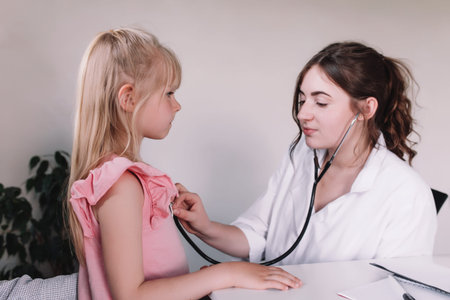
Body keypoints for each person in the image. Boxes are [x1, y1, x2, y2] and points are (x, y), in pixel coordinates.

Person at [65, 27, 301, 300]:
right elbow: (130, 296)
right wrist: (226, 273)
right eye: (168, 93)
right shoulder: (121, 186)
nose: (176, 105)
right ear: (129, 99)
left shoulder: (126, 179)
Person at [173, 41, 438, 266]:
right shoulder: (301, 156)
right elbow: (259, 237)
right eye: (302, 100)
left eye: (321, 102)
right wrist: (204, 227)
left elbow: (399, 289)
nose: (302, 114)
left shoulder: (406, 194)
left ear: (366, 109)